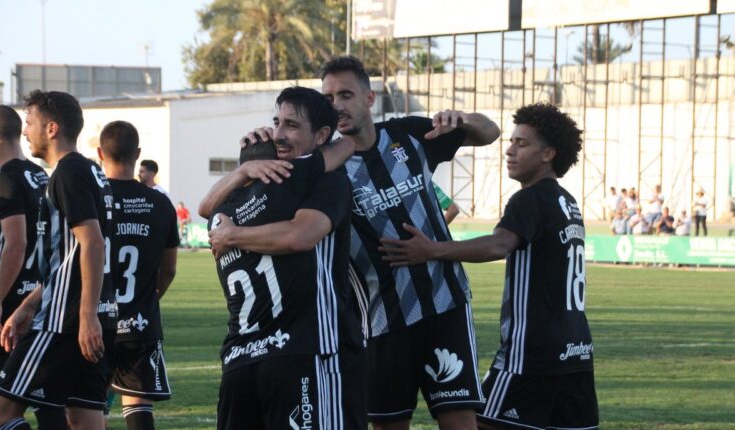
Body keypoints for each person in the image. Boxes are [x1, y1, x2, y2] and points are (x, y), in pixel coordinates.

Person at [378, 103, 598, 430]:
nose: (509, 150)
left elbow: (499, 244)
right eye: (511, 142)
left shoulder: (529, 199)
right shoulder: (568, 202)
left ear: (548, 154)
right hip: (577, 350)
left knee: (478, 424)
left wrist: (433, 249)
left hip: (531, 354)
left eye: (521, 144)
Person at [320, 56, 500, 430]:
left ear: (369, 99)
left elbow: (491, 131)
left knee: (461, 422)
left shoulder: (408, 134)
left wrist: (461, 118)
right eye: (329, 97)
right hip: (381, 319)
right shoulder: (325, 170)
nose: (336, 105)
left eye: (346, 94)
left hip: (445, 305)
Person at [206, 87, 366, 429]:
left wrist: (239, 182)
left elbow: (207, 207)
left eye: (290, 125)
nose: (279, 133)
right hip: (304, 352)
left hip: (238, 360)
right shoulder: (313, 180)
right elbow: (301, 235)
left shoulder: (222, 214)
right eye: (277, 123)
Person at [0, 90, 117, 430]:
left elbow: (92, 243)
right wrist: (28, 306)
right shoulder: (90, 171)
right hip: (95, 315)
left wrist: (85, 317)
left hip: (64, 322)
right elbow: (68, 258)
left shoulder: (67, 174)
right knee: (84, 422)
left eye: (30, 123)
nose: (26, 131)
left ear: (52, 129)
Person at [97, 121, 179, 430]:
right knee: (138, 408)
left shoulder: (91, 199)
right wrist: (149, 296)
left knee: (88, 410)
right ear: (138, 154)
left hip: (95, 322)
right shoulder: (159, 203)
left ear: (100, 153)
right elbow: (169, 269)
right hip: (140, 322)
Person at [0, 106, 49, 387]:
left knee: (5, 397)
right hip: (37, 293)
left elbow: (16, 243)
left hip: (6, 295)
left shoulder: (4, 180)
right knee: (30, 391)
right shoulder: (42, 176)